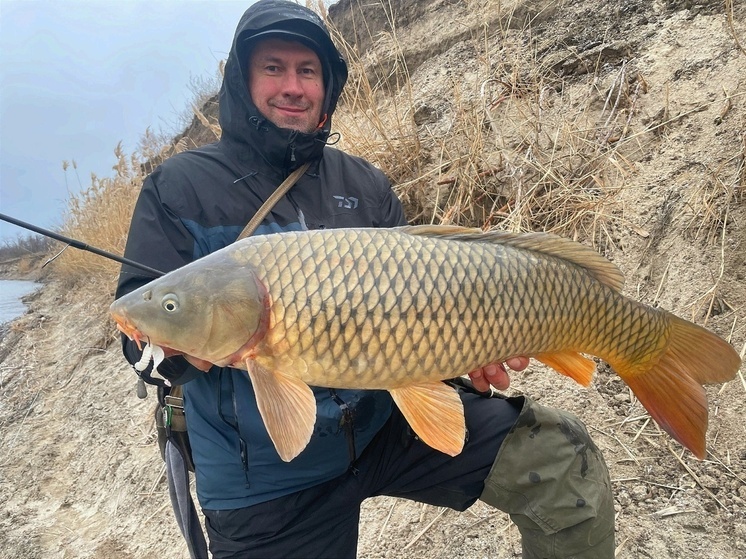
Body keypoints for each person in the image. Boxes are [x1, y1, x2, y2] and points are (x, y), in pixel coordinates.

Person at [115, 1, 614, 557]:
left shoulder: (365, 184)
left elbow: (420, 319)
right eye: (273, 67)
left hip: (384, 425)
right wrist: (187, 350)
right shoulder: (178, 187)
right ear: (242, 79)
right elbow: (137, 344)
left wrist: (469, 355)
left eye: (308, 71)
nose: (293, 86)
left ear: (327, 88)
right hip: (264, 480)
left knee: (562, 459)